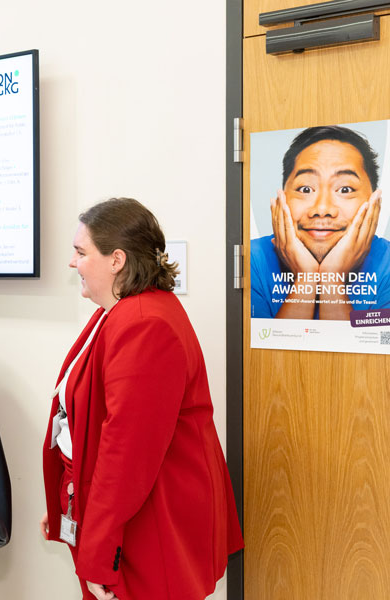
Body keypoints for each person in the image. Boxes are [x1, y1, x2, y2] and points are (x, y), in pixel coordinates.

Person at [40, 198, 243, 600]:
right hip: (123, 517)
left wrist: (97, 550)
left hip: (148, 525)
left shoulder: (143, 324)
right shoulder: (117, 313)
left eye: (81, 253)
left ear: (116, 259)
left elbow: (126, 455)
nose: (72, 263)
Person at [251, 125, 390, 319]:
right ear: (282, 198)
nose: (322, 209)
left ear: (375, 203)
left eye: (345, 189)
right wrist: (306, 279)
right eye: (306, 189)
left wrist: (332, 279)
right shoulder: (253, 259)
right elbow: (265, 349)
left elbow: (364, 348)